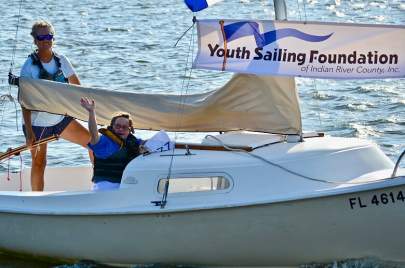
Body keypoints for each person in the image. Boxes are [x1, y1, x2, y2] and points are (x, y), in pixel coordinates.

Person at [20, 20, 91, 191]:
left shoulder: (62, 60)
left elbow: (77, 88)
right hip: (37, 123)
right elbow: (24, 102)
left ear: (53, 38)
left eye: (49, 36)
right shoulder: (29, 66)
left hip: (60, 119)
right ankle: (37, 203)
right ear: (34, 40)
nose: (46, 40)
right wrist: (29, 133)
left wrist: (92, 115)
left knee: (94, 144)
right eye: (41, 37)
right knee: (39, 162)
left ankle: (100, 187)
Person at [80, 97, 145, 191]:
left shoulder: (134, 142)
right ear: (112, 127)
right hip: (105, 187)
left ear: (130, 130)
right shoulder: (104, 141)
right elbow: (93, 133)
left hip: (127, 185)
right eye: (117, 126)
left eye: (125, 127)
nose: (121, 129)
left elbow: (154, 143)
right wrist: (91, 112)